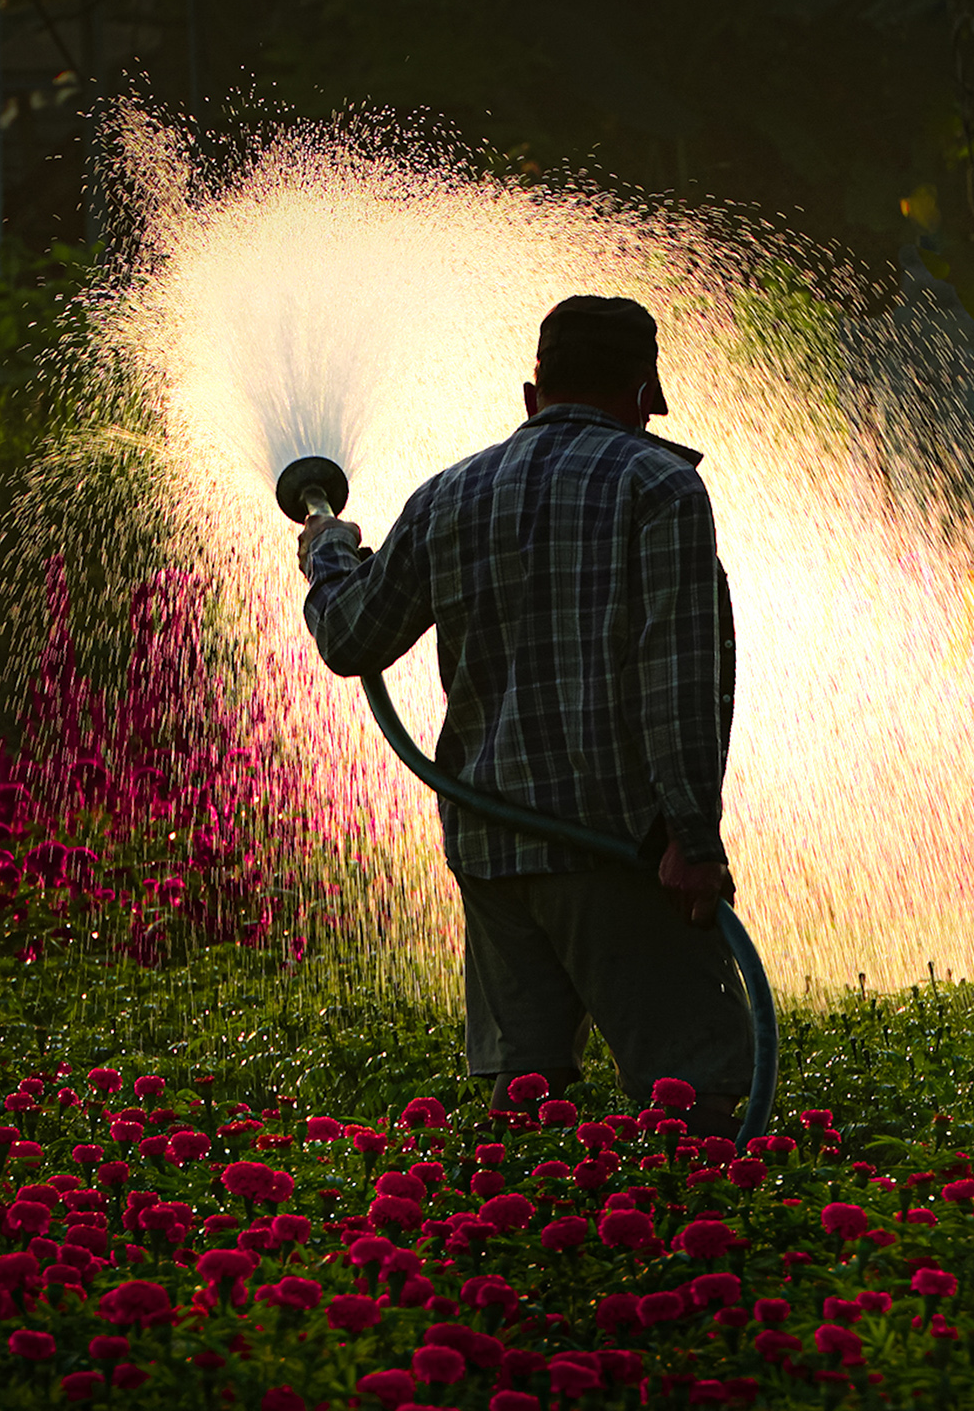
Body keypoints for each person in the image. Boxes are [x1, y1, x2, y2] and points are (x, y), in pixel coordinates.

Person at [296, 296, 749, 1137]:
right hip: (613, 846)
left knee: (528, 1088)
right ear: (645, 391)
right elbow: (678, 673)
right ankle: (692, 1254)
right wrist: (691, 833)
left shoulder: (452, 493)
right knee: (698, 1094)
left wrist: (327, 551)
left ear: (533, 391)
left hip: (493, 854)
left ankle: (515, 1256)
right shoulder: (662, 488)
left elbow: (351, 635)